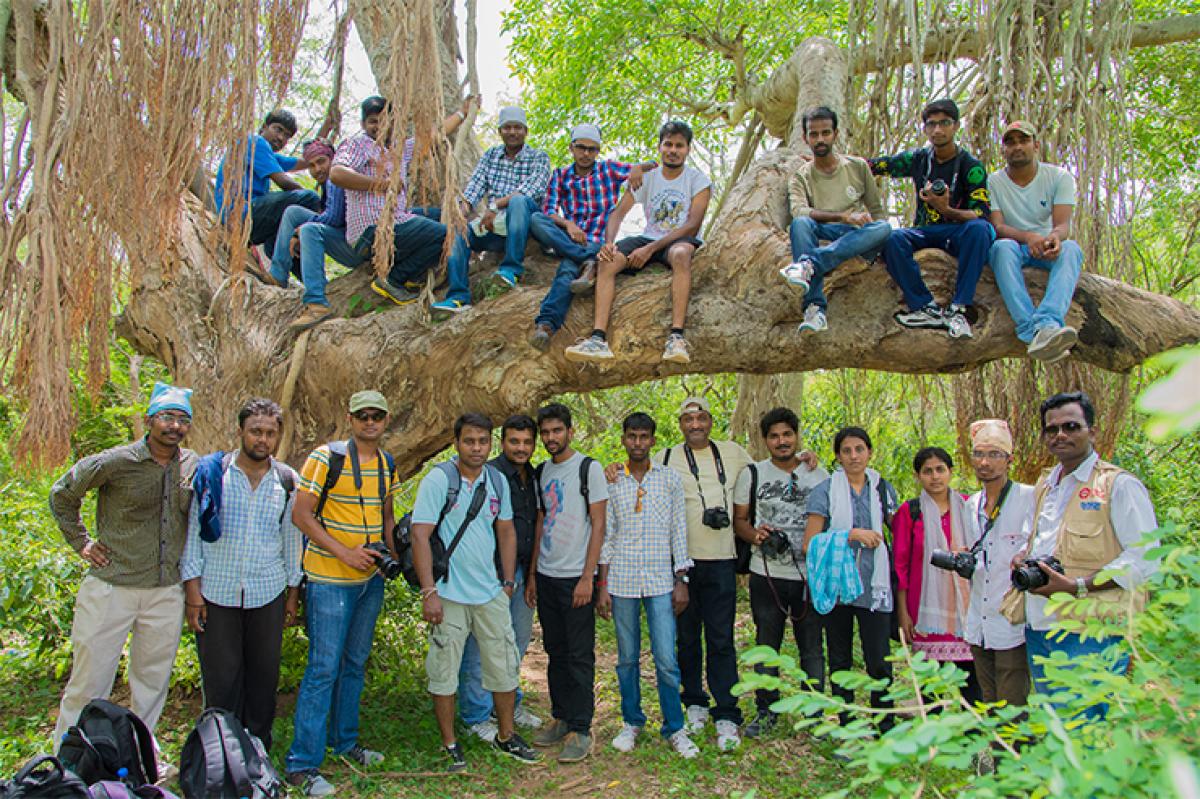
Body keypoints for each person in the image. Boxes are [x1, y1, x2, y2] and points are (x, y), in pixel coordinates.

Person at [49, 382, 198, 747]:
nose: (174, 426)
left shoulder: (191, 464)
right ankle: (70, 756)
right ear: (149, 419)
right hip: (112, 586)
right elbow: (62, 494)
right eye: (167, 417)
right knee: (90, 679)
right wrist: (82, 542)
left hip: (165, 590)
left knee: (152, 681)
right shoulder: (116, 461)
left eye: (182, 419)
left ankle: (138, 754)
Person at [1010, 392, 1159, 718]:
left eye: (1071, 426)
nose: (1060, 435)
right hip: (1040, 626)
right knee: (1056, 727)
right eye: (1052, 429)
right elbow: (1034, 540)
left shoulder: (1118, 486)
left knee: (1085, 730)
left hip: (1091, 632)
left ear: (1092, 431)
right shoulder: (1046, 486)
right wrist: (1023, 556)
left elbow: (1145, 558)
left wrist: (1078, 586)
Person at [411, 413, 540, 772]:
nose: (477, 448)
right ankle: (450, 742)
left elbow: (507, 530)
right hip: (449, 593)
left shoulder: (496, 481)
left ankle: (506, 734)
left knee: (503, 664)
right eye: (469, 441)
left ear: (490, 443)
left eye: (483, 441)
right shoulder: (440, 480)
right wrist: (428, 592)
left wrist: (508, 582)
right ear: (457, 442)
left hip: (489, 592)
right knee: (445, 670)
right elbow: (421, 535)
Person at [284, 390, 397, 797]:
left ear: (386, 421)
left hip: (369, 581)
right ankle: (302, 765)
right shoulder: (325, 458)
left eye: (378, 416)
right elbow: (301, 514)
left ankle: (345, 742)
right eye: (363, 416)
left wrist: (391, 558)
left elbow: (386, 515)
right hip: (330, 579)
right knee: (323, 668)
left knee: (354, 663)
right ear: (350, 419)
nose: (371, 422)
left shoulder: (386, 463)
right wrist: (344, 552)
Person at [181, 398, 302, 749]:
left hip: (267, 592)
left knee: (264, 679)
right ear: (240, 432)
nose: (262, 440)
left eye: (269, 433)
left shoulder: (287, 481)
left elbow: (291, 542)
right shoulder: (213, 474)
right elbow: (194, 535)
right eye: (255, 432)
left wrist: (292, 595)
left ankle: (257, 751)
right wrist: (193, 593)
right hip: (216, 593)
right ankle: (219, 752)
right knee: (221, 680)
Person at [564, 120, 712, 365]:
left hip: (679, 239)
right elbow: (618, 213)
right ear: (659, 147)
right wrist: (609, 242)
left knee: (681, 255)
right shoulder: (648, 177)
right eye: (668, 145)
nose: (673, 150)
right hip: (648, 236)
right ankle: (598, 339)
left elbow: (692, 224)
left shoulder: (698, 181)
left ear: (688, 149)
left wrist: (651, 249)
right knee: (607, 261)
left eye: (679, 146)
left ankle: (676, 337)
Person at [595, 413, 698, 758]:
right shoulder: (612, 480)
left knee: (666, 658)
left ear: (653, 440)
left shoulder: (669, 479)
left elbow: (678, 530)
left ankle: (675, 727)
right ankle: (632, 721)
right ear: (623, 439)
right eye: (631, 436)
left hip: (660, 580)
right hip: (622, 579)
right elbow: (607, 535)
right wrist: (603, 584)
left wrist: (680, 579)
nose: (637, 443)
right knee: (626, 658)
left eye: (644, 437)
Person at [651, 396, 751, 750]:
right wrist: (612, 469)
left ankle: (726, 712)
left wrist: (804, 459)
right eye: (688, 418)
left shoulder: (734, 453)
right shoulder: (664, 458)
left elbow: (764, 475)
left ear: (711, 420)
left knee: (721, 638)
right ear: (679, 423)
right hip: (681, 562)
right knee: (687, 637)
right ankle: (694, 701)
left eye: (701, 417)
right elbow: (637, 480)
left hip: (722, 559)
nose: (695, 424)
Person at [732, 407, 830, 737]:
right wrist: (755, 536)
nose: (781, 441)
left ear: (796, 435)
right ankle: (766, 710)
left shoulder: (818, 473)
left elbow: (831, 519)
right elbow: (740, 521)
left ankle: (815, 713)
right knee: (766, 644)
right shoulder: (753, 474)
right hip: (767, 572)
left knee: (812, 647)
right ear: (765, 440)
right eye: (774, 436)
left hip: (810, 574)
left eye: (787, 434)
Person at [330, 95, 472, 307]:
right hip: (374, 229)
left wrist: (463, 113)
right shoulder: (358, 144)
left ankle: (413, 275)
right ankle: (395, 279)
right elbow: (337, 174)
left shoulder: (398, 149)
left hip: (399, 219)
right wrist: (382, 184)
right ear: (363, 124)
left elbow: (434, 136)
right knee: (448, 234)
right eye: (372, 121)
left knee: (450, 218)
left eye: (384, 120)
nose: (379, 126)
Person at [870, 98, 993, 339]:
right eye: (931, 124)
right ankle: (925, 307)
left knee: (980, 230)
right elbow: (879, 165)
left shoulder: (971, 166)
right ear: (925, 128)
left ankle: (960, 308)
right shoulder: (919, 159)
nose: (938, 130)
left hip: (958, 233)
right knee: (892, 238)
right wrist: (837, 162)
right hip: (926, 232)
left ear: (956, 126)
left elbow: (981, 213)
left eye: (944, 123)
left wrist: (946, 209)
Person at [527, 403, 608, 763]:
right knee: (555, 651)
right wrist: (532, 574)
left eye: (557, 431)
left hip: (577, 577)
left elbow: (599, 524)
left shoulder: (589, 469)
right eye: (545, 433)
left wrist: (588, 577)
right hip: (547, 575)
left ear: (570, 431)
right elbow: (541, 523)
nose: (551, 438)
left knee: (579, 655)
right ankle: (561, 716)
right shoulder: (541, 471)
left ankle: (581, 727)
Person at [803, 426, 899, 731]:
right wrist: (849, 536)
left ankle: (884, 724)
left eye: (860, 449)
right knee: (840, 657)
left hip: (875, 584)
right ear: (838, 456)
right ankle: (846, 723)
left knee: (879, 659)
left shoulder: (883, 488)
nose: (854, 456)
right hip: (838, 585)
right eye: (847, 450)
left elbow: (897, 531)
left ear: (870, 452)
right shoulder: (825, 491)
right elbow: (810, 543)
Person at [456, 414, 543, 740]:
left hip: (522, 572)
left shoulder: (532, 476)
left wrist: (530, 575)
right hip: (489, 573)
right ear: (502, 442)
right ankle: (476, 714)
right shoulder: (489, 475)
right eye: (514, 441)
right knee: (481, 647)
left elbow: (535, 525)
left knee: (515, 643)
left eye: (526, 442)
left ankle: (508, 703)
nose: (521, 448)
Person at [526, 124, 651, 351]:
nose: (586, 154)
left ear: (598, 151)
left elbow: (652, 167)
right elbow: (550, 211)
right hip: (569, 238)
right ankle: (586, 260)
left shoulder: (608, 170)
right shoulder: (561, 176)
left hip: (599, 242)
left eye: (592, 149)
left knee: (566, 270)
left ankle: (546, 325)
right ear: (571, 148)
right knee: (536, 219)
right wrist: (568, 224)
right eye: (581, 147)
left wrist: (639, 167)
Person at [781, 107, 892, 334]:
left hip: (854, 237)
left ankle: (810, 263)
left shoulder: (857, 166)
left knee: (884, 228)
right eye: (814, 134)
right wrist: (843, 216)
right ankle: (814, 308)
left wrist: (877, 240)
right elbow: (799, 211)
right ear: (805, 138)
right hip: (823, 233)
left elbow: (877, 210)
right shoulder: (801, 176)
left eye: (825, 133)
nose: (820, 139)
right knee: (800, 224)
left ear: (835, 134)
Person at [433, 106, 552, 314]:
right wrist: (460, 214)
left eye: (517, 127)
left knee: (518, 202)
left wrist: (494, 206)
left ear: (525, 131)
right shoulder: (491, 156)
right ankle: (458, 297)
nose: (512, 132)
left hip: (523, 224)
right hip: (494, 227)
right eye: (507, 128)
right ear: (500, 132)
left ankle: (511, 269)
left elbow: (531, 190)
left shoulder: (539, 157)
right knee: (459, 231)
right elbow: (473, 189)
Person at [988, 121, 1084, 363]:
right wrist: (1028, 237)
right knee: (1000, 248)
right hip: (1014, 245)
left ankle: (1048, 322)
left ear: (1036, 145)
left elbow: (1063, 225)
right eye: (1010, 142)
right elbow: (998, 227)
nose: (1017, 147)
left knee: (1072, 249)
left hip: (1045, 246)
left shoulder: (1059, 177)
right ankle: (1031, 330)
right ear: (1003, 150)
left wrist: (1054, 238)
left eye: (1024, 140)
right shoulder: (993, 182)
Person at [892, 447, 980, 705]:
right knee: (931, 688)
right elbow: (901, 564)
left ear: (950, 472)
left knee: (972, 686)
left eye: (940, 469)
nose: (935, 476)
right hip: (924, 612)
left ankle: (971, 738)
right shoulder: (910, 512)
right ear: (918, 476)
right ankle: (934, 741)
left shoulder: (968, 507)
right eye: (927, 471)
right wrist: (903, 612)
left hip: (966, 610)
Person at [963, 419, 1034, 709]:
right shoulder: (972, 504)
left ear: (1009, 460)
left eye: (994, 454)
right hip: (979, 617)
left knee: (1013, 699)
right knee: (988, 697)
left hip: (1011, 617)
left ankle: (1013, 753)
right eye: (979, 454)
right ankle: (993, 753)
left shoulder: (1028, 498)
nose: (985, 462)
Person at [258, 139, 364, 331]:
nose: (317, 169)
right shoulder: (327, 183)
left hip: (356, 245)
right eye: (311, 166)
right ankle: (278, 274)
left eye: (321, 161)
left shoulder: (336, 178)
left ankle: (317, 302)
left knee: (308, 229)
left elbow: (334, 218)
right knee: (293, 212)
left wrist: (298, 233)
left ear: (333, 158)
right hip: (345, 239)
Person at [214, 110, 320, 257]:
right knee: (309, 198)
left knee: (285, 231)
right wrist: (319, 206)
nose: (281, 138)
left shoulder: (268, 154)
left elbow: (303, 162)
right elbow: (284, 182)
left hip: (247, 219)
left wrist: (322, 149)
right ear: (264, 127)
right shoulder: (255, 142)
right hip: (238, 213)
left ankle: (285, 271)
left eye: (287, 136)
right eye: (278, 129)